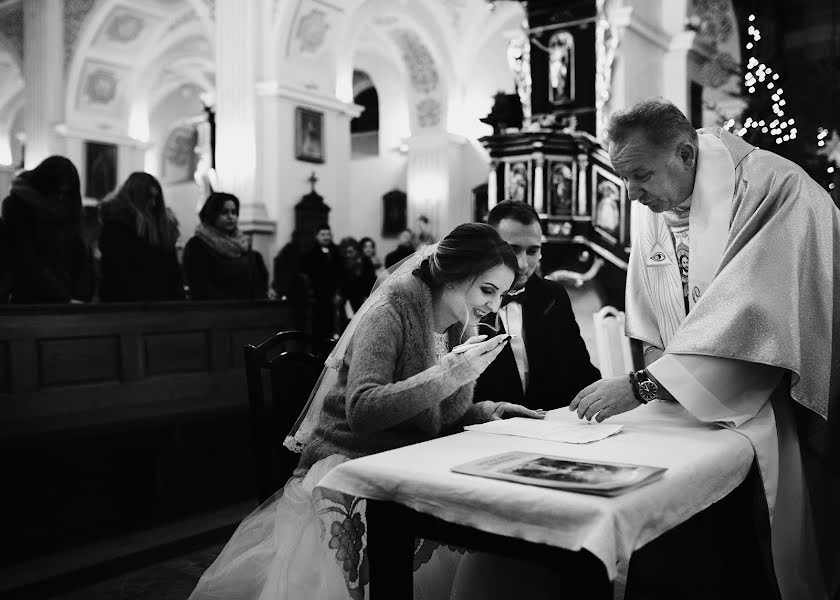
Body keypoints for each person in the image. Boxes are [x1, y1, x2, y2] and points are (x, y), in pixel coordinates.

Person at [569, 98, 840, 599]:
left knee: (761, 555)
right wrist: (660, 386)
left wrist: (644, 386)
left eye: (641, 176)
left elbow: (754, 317)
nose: (633, 194)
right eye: (625, 179)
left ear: (686, 153)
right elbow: (653, 314)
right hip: (687, 405)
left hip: (772, 400)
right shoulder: (657, 203)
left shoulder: (773, 188)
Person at [189, 223, 543, 600]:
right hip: (351, 465)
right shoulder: (391, 311)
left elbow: (434, 412)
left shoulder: (456, 324)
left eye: (501, 294)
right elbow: (363, 410)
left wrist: (490, 411)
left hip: (403, 460)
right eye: (488, 290)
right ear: (454, 276)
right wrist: (449, 374)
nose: (493, 305)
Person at [475, 200, 600, 409]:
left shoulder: (554, 295)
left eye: (532, 251)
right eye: (513, 250)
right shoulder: (467, 302)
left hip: (552, 428)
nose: (523, 264)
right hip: (486, 432)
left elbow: (582, 371)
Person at [1, 155, 93, 303]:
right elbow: (25, 254)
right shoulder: (18, 204)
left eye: (65, 192)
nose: (60, 197)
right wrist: (62, 296)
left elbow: (79, 251)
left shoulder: (69, 207)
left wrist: (81, 294)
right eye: (57, 190)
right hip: (33, 295)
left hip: (70, 295)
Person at [183, 192, 268, 300]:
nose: (231, 217)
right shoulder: (197, 246)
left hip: (246, 311)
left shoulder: (242, 245)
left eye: (234, 212)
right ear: (212, 214)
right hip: (215, 310)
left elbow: (257, 284)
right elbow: (201, 286)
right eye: (224, 212)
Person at [301, 223, 342, 339]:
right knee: (319, 330)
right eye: (323, 234)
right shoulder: (310, 254)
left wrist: (339, 292)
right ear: (316, 236)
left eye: (328, 234)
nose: (326, 237)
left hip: (335, 297)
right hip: (318, 298)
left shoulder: (336, 251)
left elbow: (340, 273)